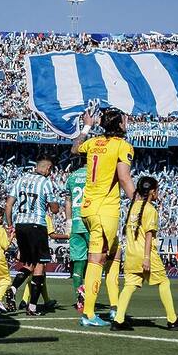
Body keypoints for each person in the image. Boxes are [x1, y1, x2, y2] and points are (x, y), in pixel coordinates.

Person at [70, 108, 135, 327]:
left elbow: (75, 148)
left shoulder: (95, 142)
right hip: (104, 211)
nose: (127, 123)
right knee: (97, 260)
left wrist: (86, 126)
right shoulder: (122, 146)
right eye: (125, 120)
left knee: (115, 253)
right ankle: (88, 313)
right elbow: (124, 178)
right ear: (119, 125)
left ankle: (115, 307)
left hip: (88, 208)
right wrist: (140, 202)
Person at [111, 176, 178, 331]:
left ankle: (118, 320)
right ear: (153, 192)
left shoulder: (133, 207)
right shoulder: (150, 209)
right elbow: (149, 235)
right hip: (146, 254)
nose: (158, 194)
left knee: (129, 286)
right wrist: (147, 258)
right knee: (163, 282)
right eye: (157, 190)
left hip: (131, 254)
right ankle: (172, 320)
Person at [4, 154, 59, 316]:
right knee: (40, 265)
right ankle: (32, 307)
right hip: (37, 224)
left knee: (28, 263)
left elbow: (8, 205)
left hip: (21, 224)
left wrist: (10, 225)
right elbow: (55, 208)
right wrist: (54, 205)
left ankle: (13, 289)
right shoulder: (45, 182)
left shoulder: (20, 179)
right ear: (48, 168)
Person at [65, 161, 89, 311]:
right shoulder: (94, 175)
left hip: (75, 224)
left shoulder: (71, 177)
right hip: (90, 223)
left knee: (78, 264)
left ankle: (79, 298)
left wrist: (68, 222)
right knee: (95, 261)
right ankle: (89, 296)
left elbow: (68, 201)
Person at [0, 209, 16, 313]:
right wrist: (11, 237)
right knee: (5, 280)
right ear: (0, 218)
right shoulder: (0, 230)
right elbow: (5, 246)